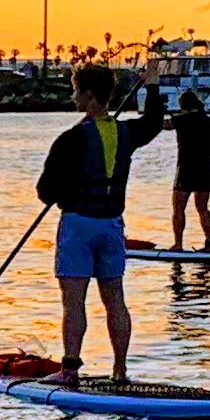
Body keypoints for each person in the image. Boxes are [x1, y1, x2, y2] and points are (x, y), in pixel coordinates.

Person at [31, 53, 170, 379]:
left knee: (74, 302)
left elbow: (45, 192)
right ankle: (119, 370)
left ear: (89, 96)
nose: (73, 97)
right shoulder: (127, 134)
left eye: (76, 91)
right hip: (111, 227)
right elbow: (153, 122)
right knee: (115, 300)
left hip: (78, 226)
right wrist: (152, 86)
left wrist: (65, 191)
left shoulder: (70, 139)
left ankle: (70, 370)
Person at [162, 84, 210, 253]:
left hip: (186, 167)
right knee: (202, 208)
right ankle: (208, 244)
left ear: (183, 105)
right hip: (206, 167)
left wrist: (157, 112)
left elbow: (164, 125)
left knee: (178, 209)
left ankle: (178, 244)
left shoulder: (180, 120)